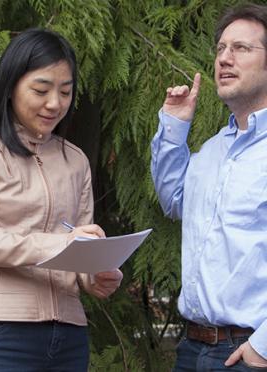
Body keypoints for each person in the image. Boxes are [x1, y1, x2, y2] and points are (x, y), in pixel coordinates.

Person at [0, 28, 123, 372]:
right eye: (41, 90)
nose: (55, 103)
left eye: (65, 92)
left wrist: (96, 275)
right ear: (10, 86)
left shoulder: (75, 159)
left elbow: (76, 250)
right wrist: (62, 244)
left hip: (69, 334)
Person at [151, 3, 267, 371]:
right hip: (191, 349)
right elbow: (174, 201)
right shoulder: (212, 151)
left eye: (241, 49)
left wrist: (263, 347)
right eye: (220, 48)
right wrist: (174, 127)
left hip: (250, 353)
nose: (224, 59)